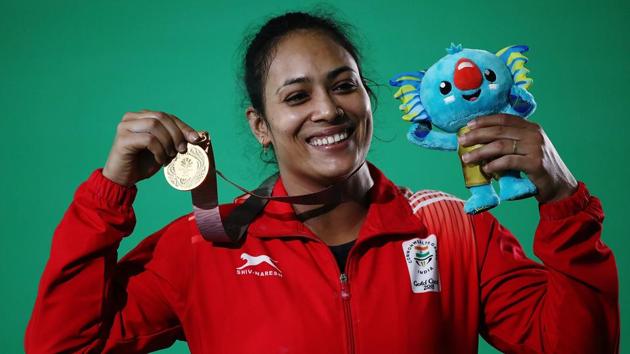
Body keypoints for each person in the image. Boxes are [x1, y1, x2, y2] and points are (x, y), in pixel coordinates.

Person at [25, 11, 619, 354]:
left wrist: (563, 200)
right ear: (260, 126)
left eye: (343, 86)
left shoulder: (453, 231)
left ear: (369, 100)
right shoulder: (204, 244)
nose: (327, 111)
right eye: (295, 96)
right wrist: (109, 192)